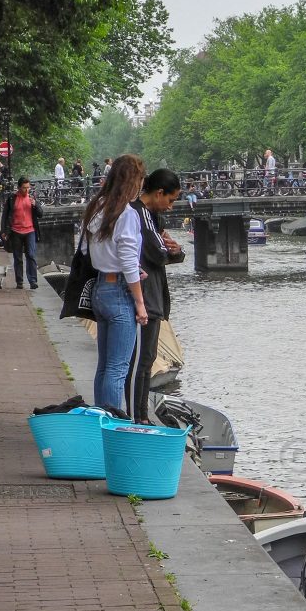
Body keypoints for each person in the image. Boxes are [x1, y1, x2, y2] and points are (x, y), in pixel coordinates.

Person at [79, 154, 148, 410]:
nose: (141, 186)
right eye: (140, 180)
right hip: (119, 292)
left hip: (100, 288)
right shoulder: (127, 214)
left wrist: (109, 260)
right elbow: (129, 264)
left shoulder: (96, 207)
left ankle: (100, 419)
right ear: (132, 181)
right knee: (118, 369)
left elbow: (86, 251)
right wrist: (140, 304)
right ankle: (112, 428)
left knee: (104, 366)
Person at [125, 169, 184, 423]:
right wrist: (170, 251)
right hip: (146, 298)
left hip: (151, 297)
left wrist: (176, 250)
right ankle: (136, 417)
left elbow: (168, 251)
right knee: (141, 361)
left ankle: (141, 415)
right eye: (170, 200)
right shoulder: (141, 214)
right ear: (159, 193)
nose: (170, 208)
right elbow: (158, 253)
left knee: (145, 360)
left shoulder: (151, 218)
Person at [0, 176, 43, 288]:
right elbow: (5, 215)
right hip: (16, 231)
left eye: (28, 188)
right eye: (24, 188)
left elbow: (41, 214)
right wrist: (4, 230)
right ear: (19, 187)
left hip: (30, 231)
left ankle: (33, 280)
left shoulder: (31, 198)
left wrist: (35, 205)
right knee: (17, 257)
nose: (26, 190)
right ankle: (19, 282)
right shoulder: (12, 198)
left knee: (31, 255)